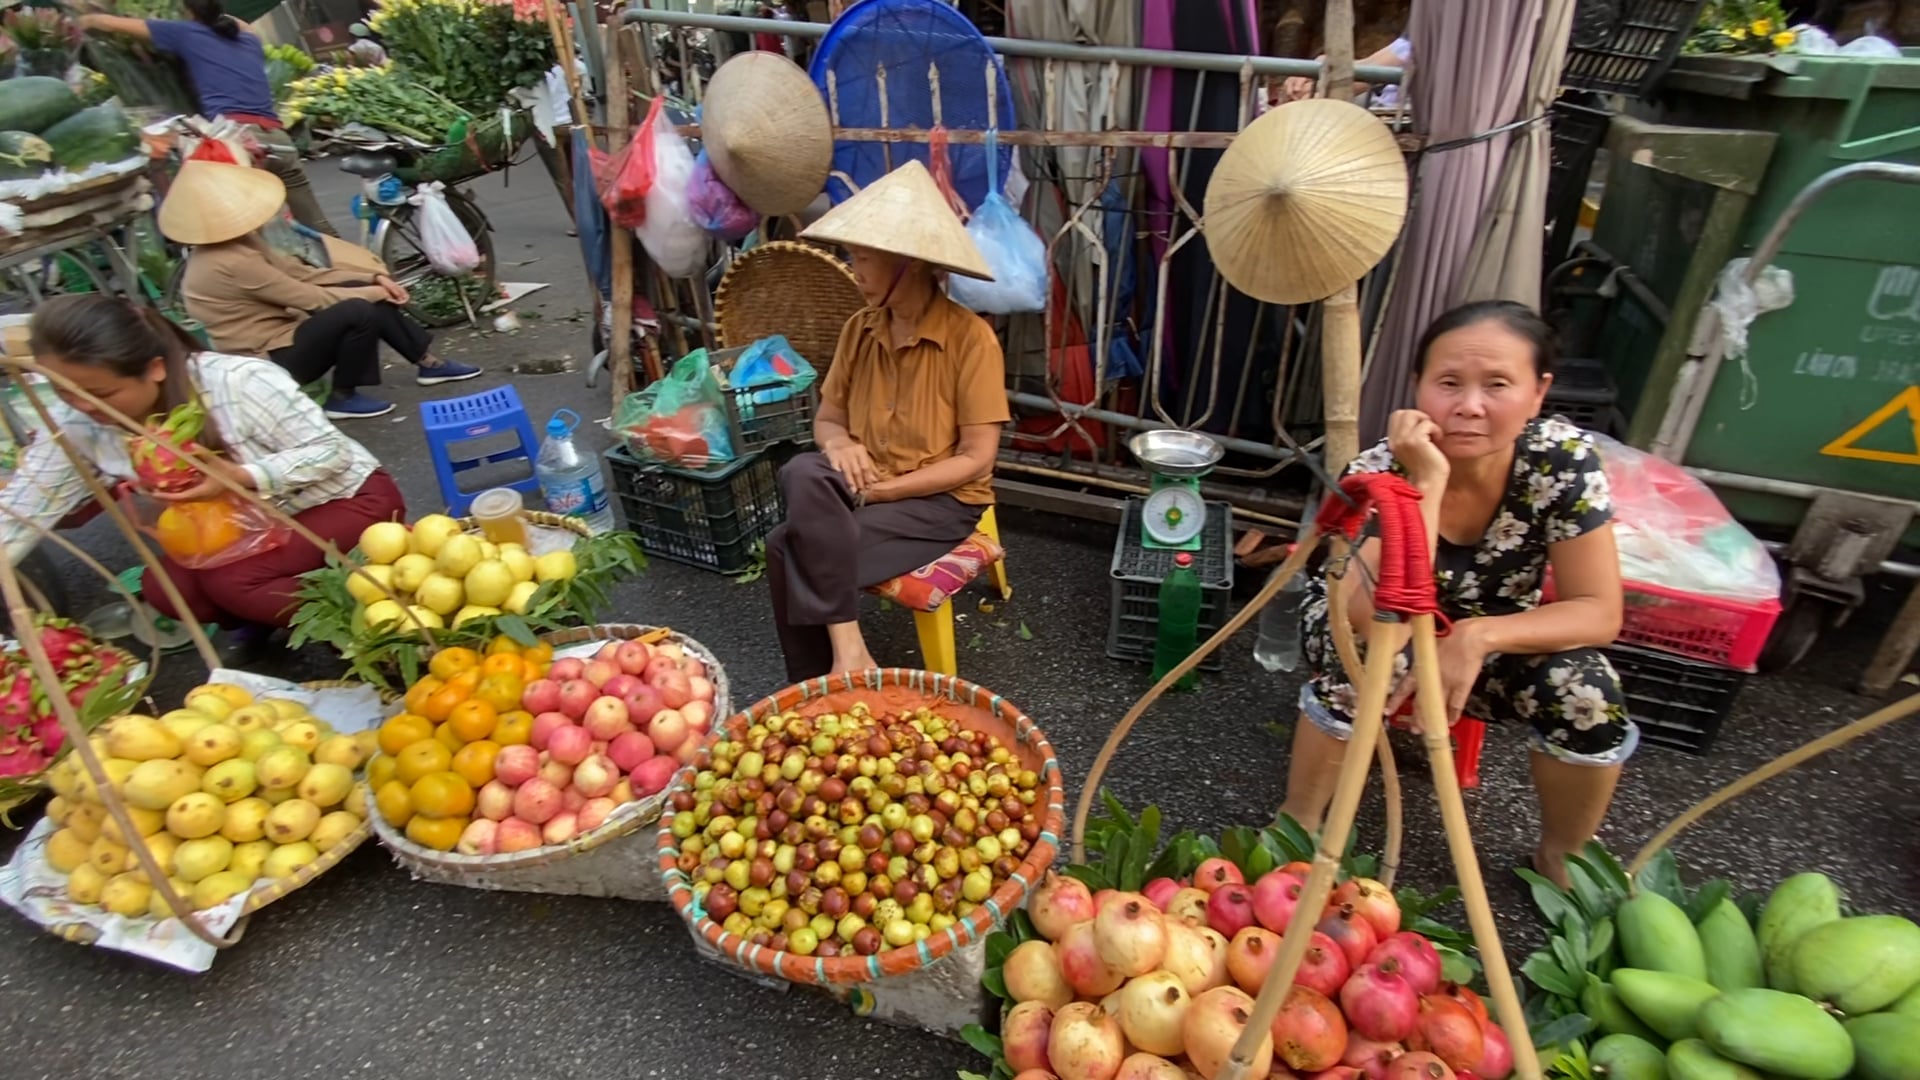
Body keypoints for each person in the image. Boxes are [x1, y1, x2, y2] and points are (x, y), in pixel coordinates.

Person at [1278, 300, 1633, 889]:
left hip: (1493, 641)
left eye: (1497, 384)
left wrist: (1478, 635)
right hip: (1374, 632)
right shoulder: (1383, 466)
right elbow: (1365, 616)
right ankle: (1298, 827)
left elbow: (1599, 611)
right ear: (1417, 386)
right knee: (1365, 662)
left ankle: (1565, 857)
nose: (1469, 406)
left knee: (1589, 691)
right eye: (1448, 383)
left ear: (1539, 392)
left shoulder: (1563, 462)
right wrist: (1427, 484)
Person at [0, 295, 406, 653]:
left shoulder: (236, 382)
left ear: (154, 368)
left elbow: (332, 453)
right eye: (63, 391)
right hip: (236, 534)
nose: (81, 404)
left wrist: (241, 475)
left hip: (343, 497)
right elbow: (24, 507)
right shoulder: (74, 421)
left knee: (232, 582)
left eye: (101, 394)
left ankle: (374, 635)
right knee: (164, 587)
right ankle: (265, 614)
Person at [764, 160, 1009, 681]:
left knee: (786, 545)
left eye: (865, 259)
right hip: (858, 482)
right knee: (801, 470)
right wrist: (840, 447)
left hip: (938, 503)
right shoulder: (860, 329)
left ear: (910, 264)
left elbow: (977, 458)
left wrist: (883, 492)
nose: (856, 271)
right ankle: (847, 651)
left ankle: (819, 679)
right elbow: (828, 420)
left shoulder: (971, 340)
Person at [159, 159, 480, 420]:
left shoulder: (240, 244)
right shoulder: (229, 261)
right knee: (357, 310)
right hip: (266, 356)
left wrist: (371, 280)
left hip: (285, 333)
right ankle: (341, 396)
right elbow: (311, 298)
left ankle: (428, 363)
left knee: (359, 292)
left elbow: (303, 273)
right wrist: (373, 293)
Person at [80, 0, 338, 236]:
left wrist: (84, 18)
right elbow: (243, 25)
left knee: (253, 230)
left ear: (188, 12)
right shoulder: (248, 40)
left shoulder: (187, 33)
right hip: (278, 138)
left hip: (237, 140)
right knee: (314, 222)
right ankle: (353, 271)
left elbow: (107, 24)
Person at [1277, 36, 1410, 108]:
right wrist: (1313, 69)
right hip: (1377, 102)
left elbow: (1362, 78)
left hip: (1401, 117)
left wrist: (1316, 86)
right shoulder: (1420, 21)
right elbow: (1372, 63)